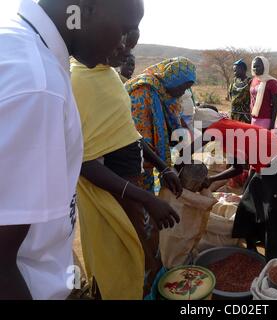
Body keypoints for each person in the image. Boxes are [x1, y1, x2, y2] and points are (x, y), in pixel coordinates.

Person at [0, 0, 144, 300]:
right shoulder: (39, 86)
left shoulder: (21, 47)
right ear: (84, 9)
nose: (123, 46)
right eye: (123, 30)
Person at [71, 37, 181, 299]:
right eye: (120, 43)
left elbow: (130, 133)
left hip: (132, 190)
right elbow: (83, 162)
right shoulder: (77, 82)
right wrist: (145, 198)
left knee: (145, 253)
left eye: (130, 46)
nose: (126, 52)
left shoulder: (109, 77)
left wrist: (162, 166)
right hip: (109, 198)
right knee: (117, 263)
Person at [181, 107, 277, 261]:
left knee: (274, 221)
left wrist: (176, 165)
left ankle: (276, 266)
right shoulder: (227, 131)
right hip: (265, 170)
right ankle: (251, 249)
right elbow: (237, 169)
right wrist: (211, 180)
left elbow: (190, 151)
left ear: (204, 126)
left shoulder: (217, 128)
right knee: (247, 207)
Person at [126, 57, 197, 193]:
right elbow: (138, 136)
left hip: (147, 159)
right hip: (133, 159)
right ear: (173, 79)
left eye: (187, 89)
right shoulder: (143, 90)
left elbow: (178, 132)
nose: (183, 92)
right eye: (183, 87)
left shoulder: (166, 96)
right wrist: (164, 168)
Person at [250, 56, 277, 129]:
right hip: (253, 119)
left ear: (265, 66)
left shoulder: (272, 82)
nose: (256, 69)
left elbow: (275, 106)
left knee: (263, 140)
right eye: (254, 66)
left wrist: (272, 125)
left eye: (258, 66)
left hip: (266, 120)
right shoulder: (253, 80)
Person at [229, 59, 252, 123]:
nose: (234, 73)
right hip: (234, 113)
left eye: (236, 70)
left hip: (245, 115)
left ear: (243, 69)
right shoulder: (234, 81)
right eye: (234, 71)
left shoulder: (249, 82)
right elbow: (230, 95)